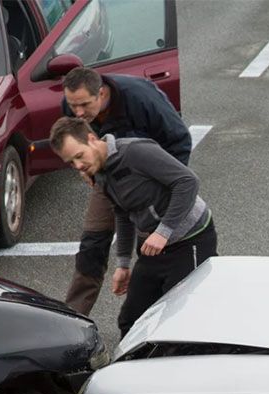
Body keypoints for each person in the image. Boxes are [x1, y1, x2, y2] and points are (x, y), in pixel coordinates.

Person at [49, 117, 217, 336]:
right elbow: (122, 211)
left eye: (79, 156)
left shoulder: (135, 152)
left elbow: (188, 182)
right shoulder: (99, 172)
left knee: (178, 319)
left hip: (190, 239)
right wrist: (123, 264)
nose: (78, 166)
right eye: (71, 162)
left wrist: (163, 232)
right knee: (130, 320)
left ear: (91, 139)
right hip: (153, 247)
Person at [60, 67, 192, 316]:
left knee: (152, 250)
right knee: (91, 246)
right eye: (72, 105)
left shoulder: (141, 99)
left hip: (149, 178)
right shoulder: (73, 106)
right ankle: (72, 320)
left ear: (101, 93)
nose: (78, 113)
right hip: (107, 177)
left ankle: (161, 318)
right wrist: (88, 171)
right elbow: (73, 142)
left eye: (84, 105)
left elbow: (180, 141)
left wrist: (163, 190)